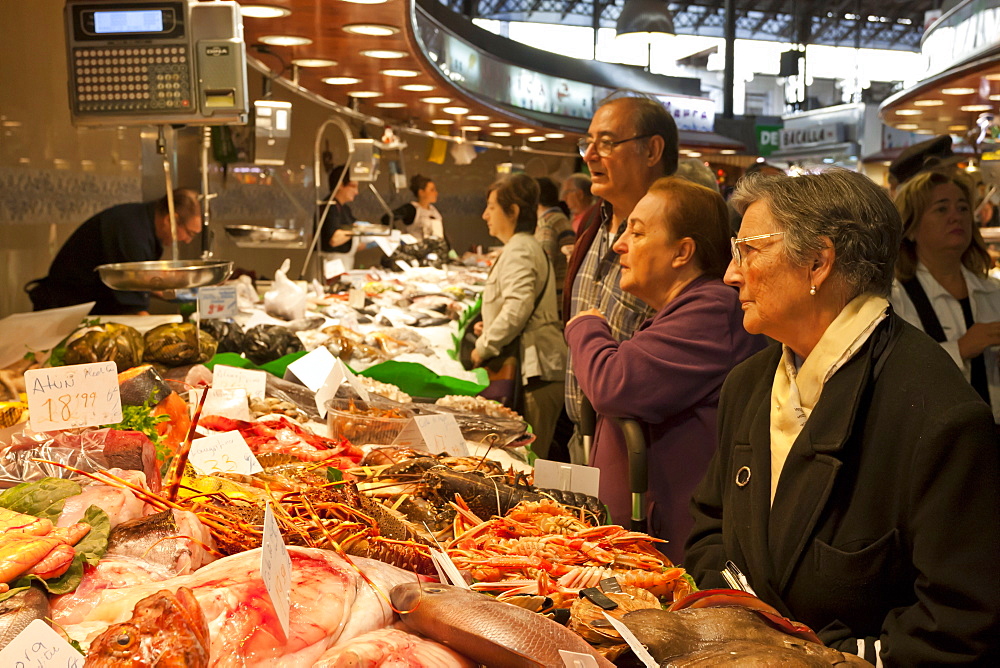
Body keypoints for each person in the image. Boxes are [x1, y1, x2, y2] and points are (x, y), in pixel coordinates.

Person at [685, 169, 1000, 666]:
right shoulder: (747, 385)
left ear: (818, 262)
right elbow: (709, 528)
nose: (731, 272)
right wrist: (744, 631)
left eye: (749, 249)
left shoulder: (941, 413)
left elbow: (960, 618)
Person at [564, 177, 764, 563]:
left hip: (674, 556)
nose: (620, 244)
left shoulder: (712, 310)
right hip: (642, 545)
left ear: (682, 252)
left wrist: (586, 326)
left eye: (636, 233)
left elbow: (612, 382)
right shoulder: (682, 309)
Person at [562, 93, 678, 464]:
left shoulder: (678, 240)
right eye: (588, 142)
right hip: (581, 440)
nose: (590, 155)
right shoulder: (594, 226)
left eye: (607, 143)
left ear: (652, 150)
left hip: (641, 455)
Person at [890, 170, 1000, 424]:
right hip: (934, 442)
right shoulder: (894, 298)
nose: (956, 217)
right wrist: (960, 349)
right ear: (912, 228)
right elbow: (893, 378)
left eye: (963, 208)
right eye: (941, 209)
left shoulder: (993, 292)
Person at [472, 174, 566, 457]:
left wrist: (483, 347)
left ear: (512, 212)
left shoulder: (520, 249)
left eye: (492, 207)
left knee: (525, 461)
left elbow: (518, 308)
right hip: (535, 370)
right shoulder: (522, 246)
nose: (484, 215)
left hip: (536, 374)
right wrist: (488, 325)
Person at [27, 188, 202, 315]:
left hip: (89, 306)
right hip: (64, 311)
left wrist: (177, 291)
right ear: (170, 220)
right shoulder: (131, 231)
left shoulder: (144, 222)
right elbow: (133, 306)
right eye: (189, 233)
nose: (187, 240)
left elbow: (143, 284)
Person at [534, 177, 576, 313]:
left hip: (554, 300)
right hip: (563, 295)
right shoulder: (559, 217)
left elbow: (544, 267)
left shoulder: (547, 223)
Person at [319, 164, 359, 273]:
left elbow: (351, 241)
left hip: (344, 265)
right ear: (341, 185)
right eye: (353, 186)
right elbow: (334, 239)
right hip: (330, 266)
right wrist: (358, 230)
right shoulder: (329, 206)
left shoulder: (345, 208)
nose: (356, 192)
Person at [382, 174, 445, 242]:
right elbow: (387, 218)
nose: (435, 193)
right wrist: (397, 237)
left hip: (436, 250)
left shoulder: (434, 211)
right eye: (432, 190)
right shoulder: (411, 209)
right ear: (421, 192)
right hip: (416, 249)